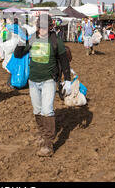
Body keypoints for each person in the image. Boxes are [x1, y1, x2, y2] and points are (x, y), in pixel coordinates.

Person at [14, 15, 72, 157]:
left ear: (50, 27)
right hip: (33, 81)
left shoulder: (56, 41)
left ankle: (48, 143)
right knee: (37, 110)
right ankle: (42, 133)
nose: (42, 29)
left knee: (47, 110)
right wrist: (22, 40)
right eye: (40, 26)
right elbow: (18, 54)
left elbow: (65, 62)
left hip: (48, 80)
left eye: (45, 27)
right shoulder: (33, 38)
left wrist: (68, 80)